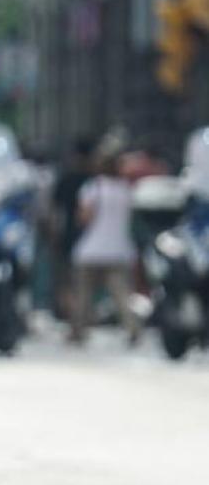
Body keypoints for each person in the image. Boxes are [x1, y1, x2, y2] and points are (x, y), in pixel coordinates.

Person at [71, 155, 139, 345]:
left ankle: (78, 330)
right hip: (118, 248)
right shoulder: (125, 189)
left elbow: (84, 217)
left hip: (92, 248)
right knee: (121, 294)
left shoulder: (94, 187)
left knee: (84, 293)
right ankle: (132, 327)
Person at [49, 137, 97, 320]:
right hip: (89, 234)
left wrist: (53, 233)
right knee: (82, 280)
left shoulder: (68, 179)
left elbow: (55, 210)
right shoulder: (94, 180)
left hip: (70, 233)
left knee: (69, 279)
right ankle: (82, 313)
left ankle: (73, 314)